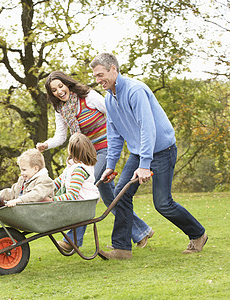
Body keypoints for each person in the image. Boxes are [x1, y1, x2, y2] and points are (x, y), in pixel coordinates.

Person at [90, 53, 207, 260]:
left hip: (162, 150)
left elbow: (148, 128)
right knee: (121, 195)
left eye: (101, 75)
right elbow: (114, 134)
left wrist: (144, 165)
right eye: (96, 76)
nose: (98, 80)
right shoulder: (109, 99)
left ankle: (198, 234)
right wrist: (110, 165)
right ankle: (122, 249)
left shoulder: (135, 91)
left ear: (114, 70)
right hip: (139, 151)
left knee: (162, 203)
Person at [36, 71, 153, 252]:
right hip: (85, 156)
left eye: (60, 86)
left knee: (84, 188)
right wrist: (46, 144)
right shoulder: (61, 109)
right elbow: (61, 136)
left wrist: (129, 133)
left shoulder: (88, 97)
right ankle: (141, 231)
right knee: (109, 197)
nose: (59, 91)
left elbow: (113, 112)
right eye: (54, 90)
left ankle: (73, 239)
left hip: (106, 150)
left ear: (67, 84)